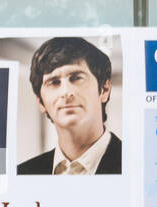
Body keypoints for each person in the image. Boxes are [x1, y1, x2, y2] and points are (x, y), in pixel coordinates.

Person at [17, 36, 121, 176]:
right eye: (54, 82)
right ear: (41, 102)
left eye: (77, 78)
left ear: (104, 89)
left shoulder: (138, 166)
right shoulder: (22, 174)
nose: (66, 92)